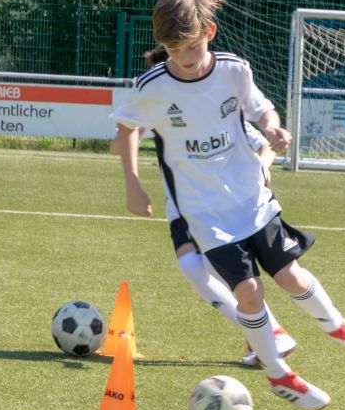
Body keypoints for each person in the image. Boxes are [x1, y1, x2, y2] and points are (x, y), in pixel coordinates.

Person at [111, 0, 345, 410]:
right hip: (203, 211)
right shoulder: (153, 86)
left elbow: (262, 110)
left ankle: (338, 327)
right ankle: (278, 374)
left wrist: (273, 129)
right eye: (174, 50)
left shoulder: (234, 71)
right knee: (250, 293)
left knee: (290, 276)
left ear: (210, 33)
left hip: (251, 197)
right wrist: (132, 181)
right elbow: (126, 130)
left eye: (192, 48)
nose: (184, 59)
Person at [110, 45, 296, 367]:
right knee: (193, 266)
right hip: (185, 203)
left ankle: (266, 332)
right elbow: (119, 143)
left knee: (206, 266)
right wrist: (130, 131)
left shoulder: (215, 110)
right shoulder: (158, 104)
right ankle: (265, 332)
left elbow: (263, 143)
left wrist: (263, 165)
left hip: (222, 201)